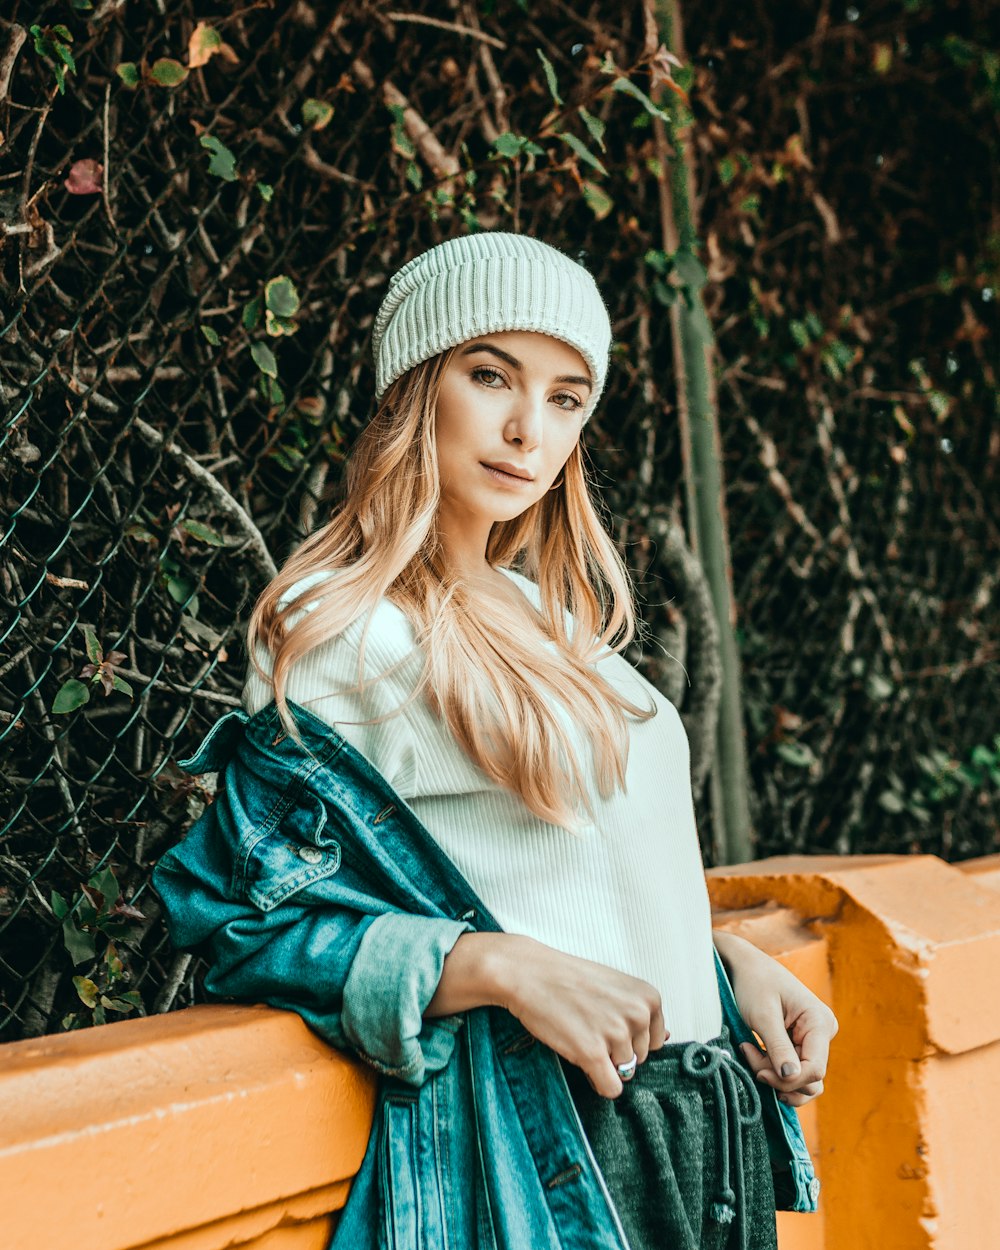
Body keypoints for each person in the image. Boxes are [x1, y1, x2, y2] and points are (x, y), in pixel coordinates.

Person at [153, 231, 837, 1250]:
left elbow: (570, 869)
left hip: (697, 1121)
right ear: (415, 389)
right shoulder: (341, 625)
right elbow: (245, 921)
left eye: (566, 397)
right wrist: (496, 966)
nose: (527, 428)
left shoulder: (548, 615)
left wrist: (715, 964)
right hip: (552, 1140)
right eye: (490, 375)